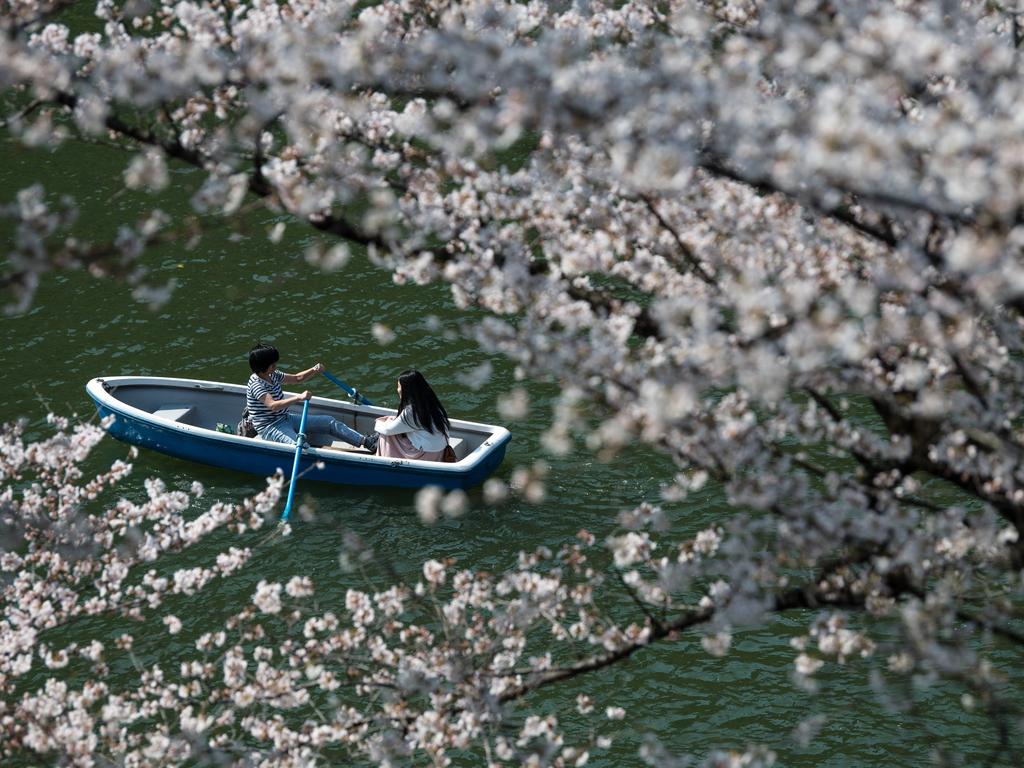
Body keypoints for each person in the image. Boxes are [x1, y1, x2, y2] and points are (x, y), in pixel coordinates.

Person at [246, 343, 378, 450]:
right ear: (262, 367)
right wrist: (299, 398)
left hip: (285, 417)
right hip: (270, 427)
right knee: (300, 447)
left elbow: (297, 378)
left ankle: (366, 442)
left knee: (328, 422)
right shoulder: (256, 384)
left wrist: (314, 370)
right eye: (272, 364)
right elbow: (273, 405)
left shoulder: (272, 374)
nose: (276, 366)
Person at [374, 369, 451, 461]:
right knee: (393, 422)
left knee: (385, 435)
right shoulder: (432, 404)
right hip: (439, 452)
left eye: (399, 386)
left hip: (425, 455)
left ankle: (383, 461)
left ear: (406, 389)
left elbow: (387, 430)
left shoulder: (411, 411)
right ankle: (373, 441)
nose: (397, 390)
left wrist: (378, 422)